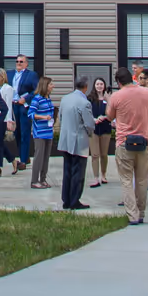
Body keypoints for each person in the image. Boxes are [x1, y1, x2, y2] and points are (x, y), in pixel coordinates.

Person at [105, 67, 148, 225]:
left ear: (118, 82)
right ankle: (141, 213)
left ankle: (132, 215)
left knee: (126, 180)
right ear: (132, 78)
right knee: (142, 180)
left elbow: (109, 116)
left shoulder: (117, 96)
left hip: (124, 142)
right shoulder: (147, 92)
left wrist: (108, 100)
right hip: (144, 142)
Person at [55, 76, 93, 210]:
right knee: (78, 172)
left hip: (65, 139)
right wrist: (90, 131)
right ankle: (74, 200)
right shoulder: (84, 102)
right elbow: (89, 124)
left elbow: (59, 117)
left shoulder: (65, 99)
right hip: (78, 140)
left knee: (67, 170)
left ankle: (66, 199)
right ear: (85, 87)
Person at [8, 53, 40, 172]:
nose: (19, 64)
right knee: (17, 133)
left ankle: (23, 159)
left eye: (21, 62)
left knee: (25, 133)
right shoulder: (10, 74)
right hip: (13, 105)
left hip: (24, 106)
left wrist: (26, 99)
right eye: (17, 61)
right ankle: (24, 157)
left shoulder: (31, 75)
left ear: (26, 63)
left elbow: (36, 90)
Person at [26, 75, 57, 188]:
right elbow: (31, 114)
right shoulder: (37, 99)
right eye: (51, 84)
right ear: (45, 86)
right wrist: (44, 117)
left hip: (48, 132)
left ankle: (43, 179)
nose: (53, 86)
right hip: (39, 133)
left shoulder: (48, 99)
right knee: (38, 156)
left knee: (46, 157)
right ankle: (34, 181)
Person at [88, 78, 113, 188]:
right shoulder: (90, 99)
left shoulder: (108, 98)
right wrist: (94, 119)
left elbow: (113, 112)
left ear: (104, 85)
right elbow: (87, 113)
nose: (99, 86)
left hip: (105, 128)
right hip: (93, 128)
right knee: (95, 154)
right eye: (97, 84)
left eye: (101, 84)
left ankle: (103, 175)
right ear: (94, 85)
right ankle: (95, 177)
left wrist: (105, 116)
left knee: (104, 154)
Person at [0, 68, 15, 179]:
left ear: (2, 77)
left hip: (3, 119)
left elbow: (8, 106)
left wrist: (9, 120)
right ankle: (13, 160)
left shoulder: (8, 89)